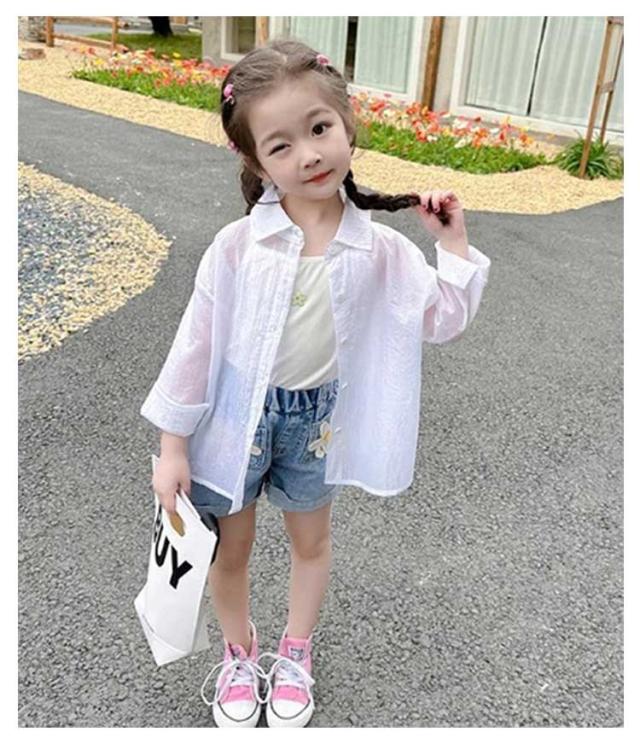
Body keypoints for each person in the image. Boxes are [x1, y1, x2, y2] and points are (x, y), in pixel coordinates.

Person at [140, 39, 491, 728]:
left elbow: (441, 319)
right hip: (234, 418)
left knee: (311, 542)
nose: (308, 154)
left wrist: (451, 244)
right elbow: (194, 347)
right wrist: (172, 446)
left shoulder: (381, 250)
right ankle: (240, 654)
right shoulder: (238, 247)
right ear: (255, 161)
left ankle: (295, 651)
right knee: (229, 549)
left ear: (348, 124)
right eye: (281, 145)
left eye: (320, 128)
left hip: (317, 423)